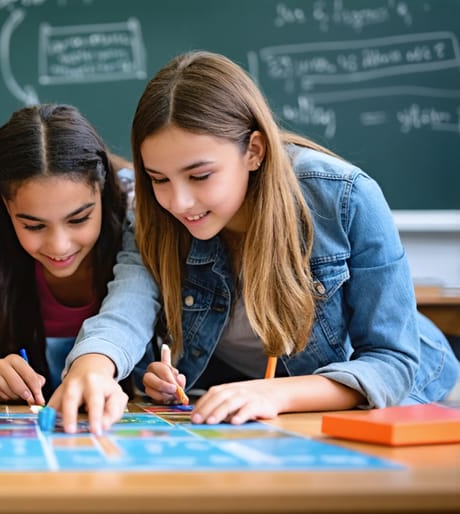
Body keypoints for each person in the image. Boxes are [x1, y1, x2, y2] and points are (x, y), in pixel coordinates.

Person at [52, 50, 459, 433]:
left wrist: (274, 394)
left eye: (199, 176)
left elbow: (392, 363)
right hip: (262, 412)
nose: (178, 201)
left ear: (254, 150)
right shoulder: (152, 215)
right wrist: (94, 364)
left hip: (408, 401)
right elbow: (127, 307)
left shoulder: (346, 197)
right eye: (159, 179)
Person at [0, 104, 130, 406]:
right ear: (5, 209)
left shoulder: (136, 236)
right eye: (33, 225)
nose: (59, 246)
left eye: (78, 219)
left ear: (103, 193)